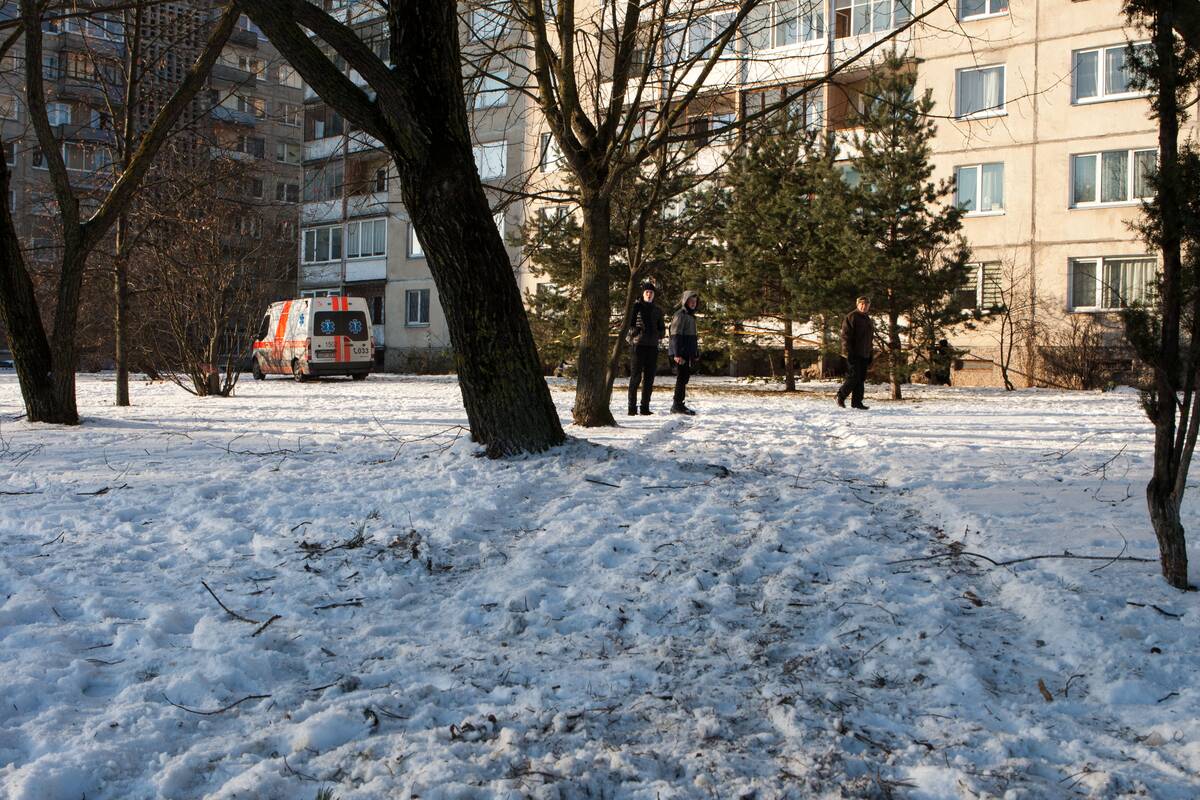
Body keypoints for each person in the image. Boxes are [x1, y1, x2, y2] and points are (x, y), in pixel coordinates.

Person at [626, 281, 666, 415]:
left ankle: (645, 408)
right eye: (647, 292)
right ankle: (632, 408)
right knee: (635, 377)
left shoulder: (657, 310)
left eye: (651, 293)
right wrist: (635, 332)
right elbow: (628, 326)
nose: (649, 295)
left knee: (649, 379)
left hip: (652, 347)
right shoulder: (636, 307)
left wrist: (658, 334)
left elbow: (662, 328)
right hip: (638, 345)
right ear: (643, 294)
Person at [837, 296, 874, 410]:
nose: (864, 306)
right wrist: (848, 352)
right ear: (857, 305)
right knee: (853, 377)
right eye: (862, 304)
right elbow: (845, 336)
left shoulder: (867, 318)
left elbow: (869, 338)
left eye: (866, 304)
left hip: (864, 353)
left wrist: (870, 352)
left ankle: (857, 402)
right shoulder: (852, 316)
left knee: (861, 378)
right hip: (853, 353)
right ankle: (840, 396)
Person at [668, 290, 700, 415]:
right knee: (681, 378)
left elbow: (693, 337)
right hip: (680, 353)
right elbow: (675, 335)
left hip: (687, 352)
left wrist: (695, 353)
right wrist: (677, 354)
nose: (693, 303)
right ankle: (677, 405)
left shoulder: (691, 316)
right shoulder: (680, 315)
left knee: (684, 377)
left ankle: (679, 404)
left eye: (695, 301)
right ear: (685, 301)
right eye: (691, 301)